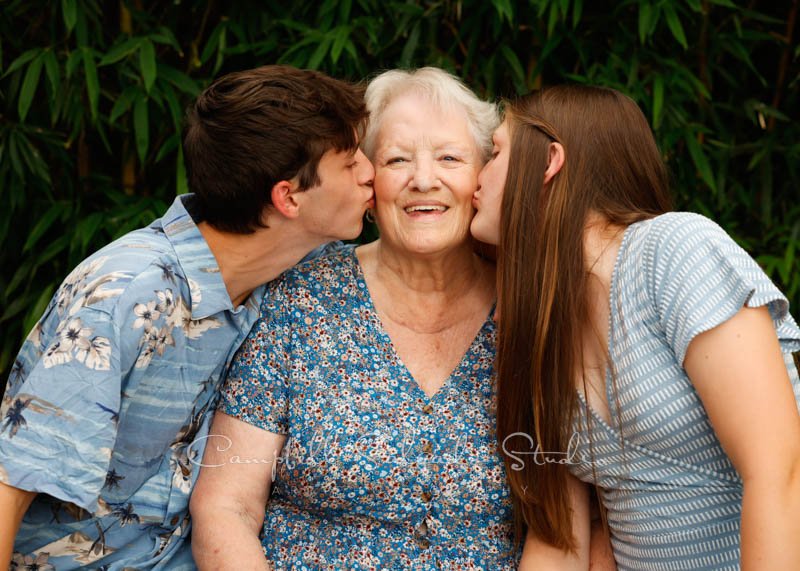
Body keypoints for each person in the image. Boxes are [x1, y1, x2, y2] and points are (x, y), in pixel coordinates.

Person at [0, 64, 375, 570]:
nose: (372, 172)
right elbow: (12, 483)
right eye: (351, 163)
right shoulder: (129, 296)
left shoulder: (290, 271)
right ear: (288, 197)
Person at [189, 66, 523, 570]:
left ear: (484, 175)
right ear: (367, 180)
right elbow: (226, 505)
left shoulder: (530, 306)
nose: (424, 180)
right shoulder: (298, 298)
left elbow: (567, 525)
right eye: (397, 160)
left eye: (450, 158)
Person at [470, 84, 800, 570]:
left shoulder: (673, 252)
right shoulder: (545, 324)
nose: (478, 176)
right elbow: (570, 536)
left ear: (548, 162)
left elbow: (779, 469)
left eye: (495, 152)